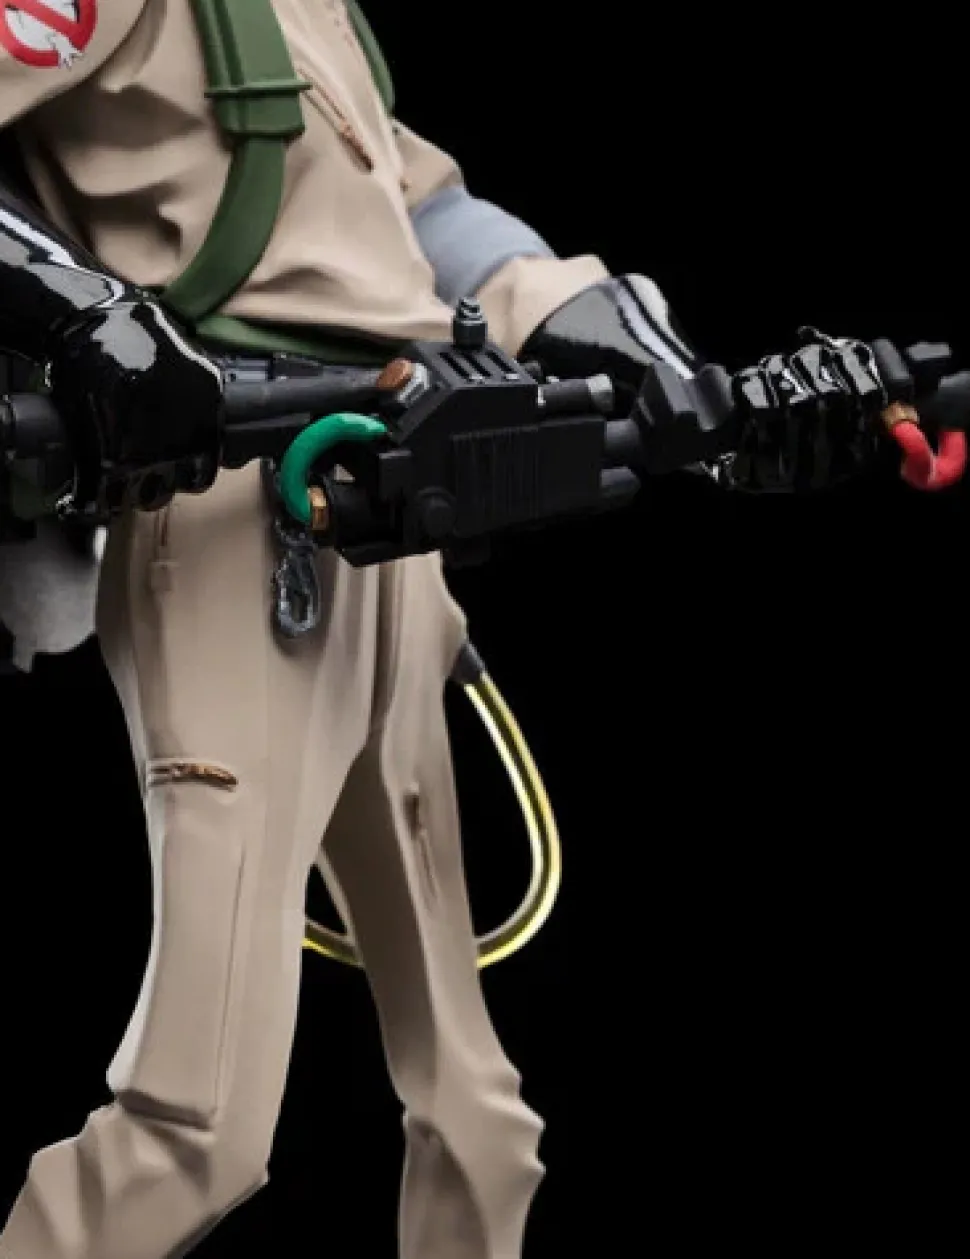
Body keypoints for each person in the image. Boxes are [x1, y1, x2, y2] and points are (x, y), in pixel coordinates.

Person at [0, 3, 882, 1256]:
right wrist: (89, 317)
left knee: (477, 1118)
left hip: (393, 513)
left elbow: (418, 215)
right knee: (193, 1128)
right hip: (237, 517)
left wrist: (656, 362)